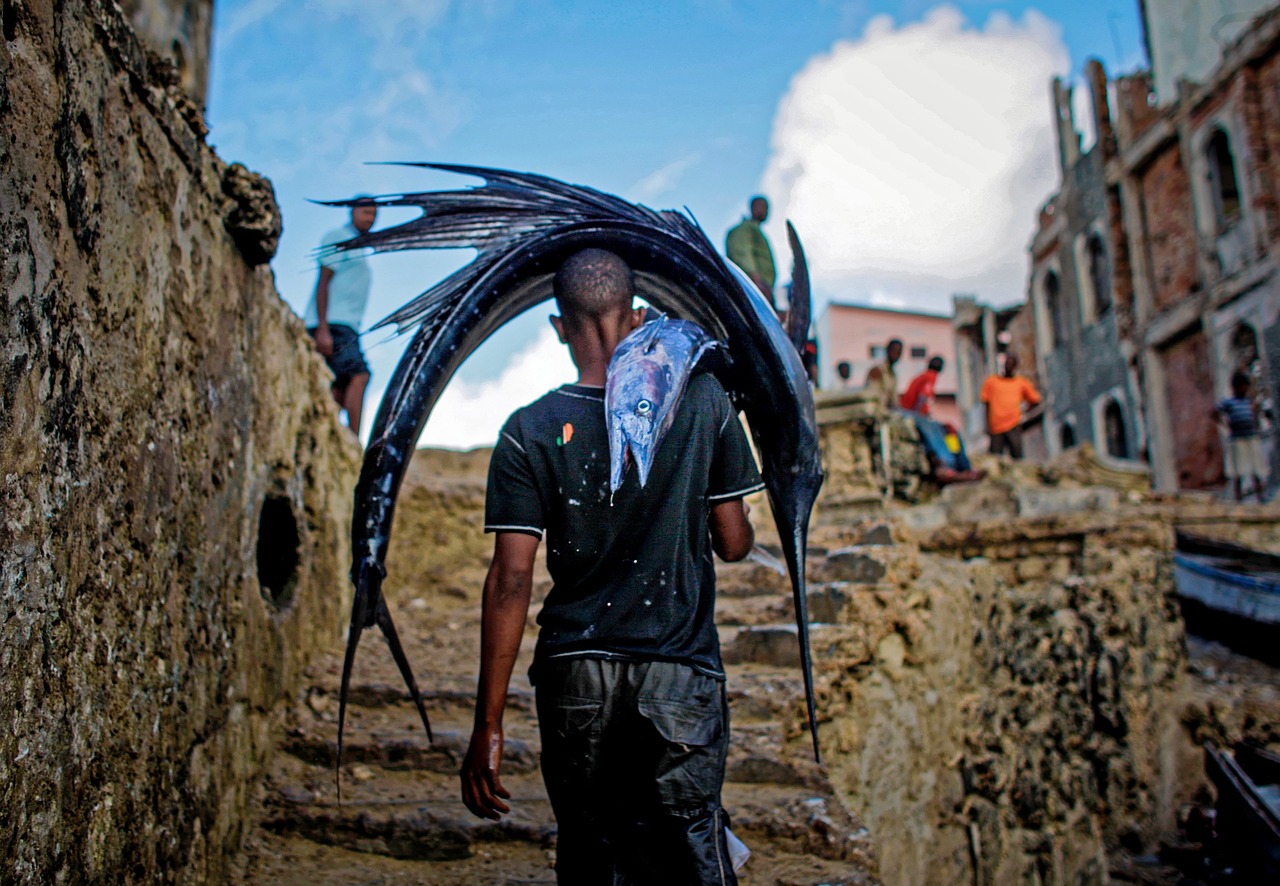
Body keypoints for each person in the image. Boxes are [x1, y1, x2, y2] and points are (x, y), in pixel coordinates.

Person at [461, 248, 764, 884]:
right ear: (637, 317)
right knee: (692, 856)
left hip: (574, 680)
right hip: (679, 675)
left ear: (558, 326)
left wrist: (487, 724)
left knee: (592, 854)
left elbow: (511, 580)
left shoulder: (528, 429)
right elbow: (734, 544)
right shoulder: (703, 401)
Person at [305, 197, 377, 433]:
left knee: (339, 385)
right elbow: (323, 281)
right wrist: (323, 327)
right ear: (352, 212)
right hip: (334, 323)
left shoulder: (358, 247)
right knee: (360, 374)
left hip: (345, 325)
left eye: (374, 214)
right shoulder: (339, 238)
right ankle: (354, 439)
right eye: (366, 212)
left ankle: (332, 435)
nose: (370, 218)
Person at [1214, 370, 1269, 501]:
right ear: (1235, 388)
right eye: (1243, 387)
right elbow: (1214, 412)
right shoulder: (1229, 402)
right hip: (1237, 440)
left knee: (1255, 469)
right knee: (1238, 470)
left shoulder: (1248, 402)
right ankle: (1239, 498)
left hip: (1251, 437)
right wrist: (1224, 426)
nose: (1245, 390)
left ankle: (1260, 497)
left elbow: (1254, 415)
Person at [980, 353, 1041, 458]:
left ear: (1015, 366)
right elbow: (986, 404)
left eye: (1011, 364)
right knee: (995, 458)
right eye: (1007, 363)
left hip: (1013, 424)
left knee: (1017, 456)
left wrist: (1023, 412)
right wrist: (987, 425)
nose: (1008, 366)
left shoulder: (1021, 383)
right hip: (996, 427)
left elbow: (1035, 400)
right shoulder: (991, 381)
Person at [725, 196, 776, 309]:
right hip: (754, 287)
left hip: (763, 288)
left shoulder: (756, 231)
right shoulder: (744, 229)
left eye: (767, 208)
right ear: (753, 207)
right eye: (763, 206)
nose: (766, 211)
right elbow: (741, 253)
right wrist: (756, 281)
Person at [864, 339, 903, 408]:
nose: (896, 355)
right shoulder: (877, 370)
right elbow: (871, 396)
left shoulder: (892, 374)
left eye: (898, 352)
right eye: (893, 351)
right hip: (878, 411)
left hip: (890, 410)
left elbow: (894, 399)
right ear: (887, 351)